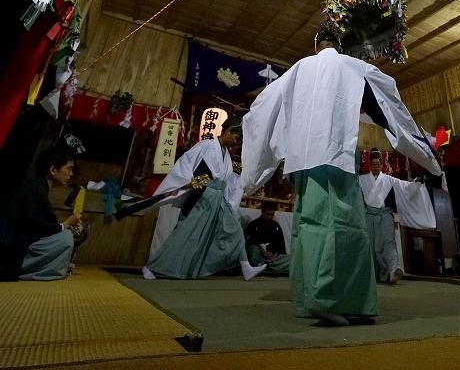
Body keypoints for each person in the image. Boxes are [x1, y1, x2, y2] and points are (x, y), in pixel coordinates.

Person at [241, 25, 441, 326]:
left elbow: (260, 112)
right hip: (337, 159)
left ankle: (328, 301)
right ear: (339, 45)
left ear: (315, 46)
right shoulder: (354, 66)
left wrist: (255, 172)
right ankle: (332, 299)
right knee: (346, 230)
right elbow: (389, 108)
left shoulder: (297, 69)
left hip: (304, 165)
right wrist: (426, 155)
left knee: (310, 228)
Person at [121, 116, 266, 281]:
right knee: (185, 235)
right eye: (236, 138)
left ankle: (245, 266)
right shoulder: (206, 146)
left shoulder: (226, 154)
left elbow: (226, 179)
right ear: (228, 132)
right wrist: (188, 183)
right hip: (202, 198)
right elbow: (186, 164)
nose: (236, 142)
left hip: (218, 199)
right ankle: (151, 266)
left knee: (234, 229)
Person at [0, 147, 81, 281]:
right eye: (69, 168)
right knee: (65, 238)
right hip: (8, 252)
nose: (71, 173)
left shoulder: (36, 187)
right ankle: (24, 271)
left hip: (12, 245)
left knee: (64, 236)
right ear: (53, 170)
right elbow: (43, 229)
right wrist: (68, 223)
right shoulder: (36, 191)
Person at [359, 148, 437, 284]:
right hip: (369, 215)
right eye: (373, 164)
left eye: (378, 164)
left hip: (385, 215)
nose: (375, 166)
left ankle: (393, 269)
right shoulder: (363, 179)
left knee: (389, 242)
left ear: (381, 164)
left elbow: (405, 187)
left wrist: (416, 184)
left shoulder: (389, 180)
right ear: (370, 165)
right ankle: (376, 274)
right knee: (371, 245)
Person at [244, 201, 290, 273]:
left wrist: (275, 254)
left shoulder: (276, 226)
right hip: (260, 255)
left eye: (272, 215)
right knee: (253, 250)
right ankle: (269, 266)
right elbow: (249, 243)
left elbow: (281, 246)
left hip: (273, 259)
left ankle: (266, 266)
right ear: (262, 212)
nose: (269, 217)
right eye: (267, 214)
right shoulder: (253, 225)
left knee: (291, 258)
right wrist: (263, 252)